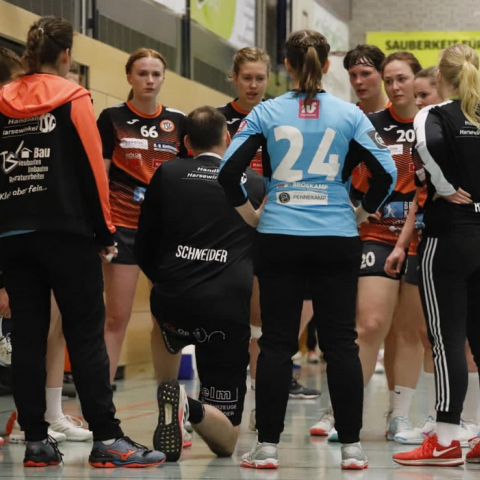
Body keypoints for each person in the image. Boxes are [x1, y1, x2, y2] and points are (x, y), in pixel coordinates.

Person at [219, 29, 397, 470]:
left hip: (279, 235)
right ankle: (352, 448)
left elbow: (227, 173)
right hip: (336, 237)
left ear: (287, 66)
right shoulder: (349, 114)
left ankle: (268, 448)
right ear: (328, 64)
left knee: (277, 344)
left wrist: (253, 217)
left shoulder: (265, 111)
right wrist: (359, 213)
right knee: (342, 344)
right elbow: (387, 173)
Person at [0, 16, 165, 467]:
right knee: (85, 335)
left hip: (13, 235)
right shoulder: (72, 97)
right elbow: (94, 170)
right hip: (67, 233)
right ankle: (108, 439)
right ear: (66, 55)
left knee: (28, 338)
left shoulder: (2, 99)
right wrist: (106, 233)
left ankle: (36, 442)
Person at [135, 106, 264, 461]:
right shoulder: (254, 183)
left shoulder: (168, 173)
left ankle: (168, 393)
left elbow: (144, 242)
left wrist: (163, 279)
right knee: (227, 443)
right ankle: (187, 407)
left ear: (187, 141)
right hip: (226, 308)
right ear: (227, 138)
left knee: (163, 325)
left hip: (173, 298)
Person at [313, 51, 422, 442]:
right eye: (389, 80)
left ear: (416, 80)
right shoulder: (368, 124)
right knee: (371, 324)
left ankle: (400, 416)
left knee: (407, 331)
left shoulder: (431, 123)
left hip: (422, 236)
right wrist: (354, 209)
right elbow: (342, 177)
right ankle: (341, 411)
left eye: (401, 79)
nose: (394, 86)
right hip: (376, 234)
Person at [393, 43, 480, 466]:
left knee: (445, 341)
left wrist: (444, 187)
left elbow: (425, 146)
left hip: (448, 237)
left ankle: (445, 439)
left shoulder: (435, 113)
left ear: (441, 77)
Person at [97, 48, 187, 392]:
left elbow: (188, 176)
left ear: (163, 78)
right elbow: (100, 178)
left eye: (156, 74)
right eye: (142, 73)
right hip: (123, 228)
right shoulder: (112, 118)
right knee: (116, 318)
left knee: (167, 319)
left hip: (165, 233)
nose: (149, 80)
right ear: (129, 77)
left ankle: (170, 397)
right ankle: (100, 404)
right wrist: (102, 228)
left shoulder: (178, 122)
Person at [344, 44, 391, 114]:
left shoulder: (400, 113)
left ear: (382, 73)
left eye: (365, 74)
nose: (358, 81)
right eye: (353, 75)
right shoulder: (349, 116)